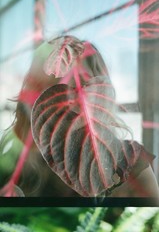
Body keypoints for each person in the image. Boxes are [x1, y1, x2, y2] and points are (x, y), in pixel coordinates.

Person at [0, 35, 159, 198]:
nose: (69, 101)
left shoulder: (129, 164)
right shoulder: (11, 166)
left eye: (80, 85)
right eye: (52, 88)